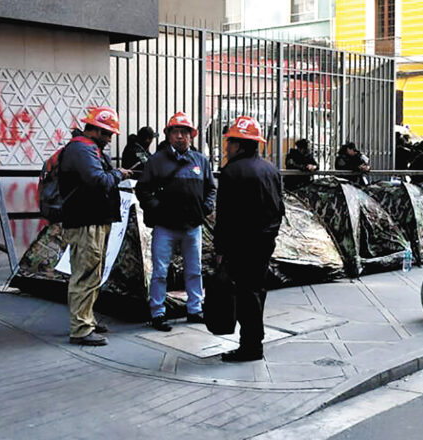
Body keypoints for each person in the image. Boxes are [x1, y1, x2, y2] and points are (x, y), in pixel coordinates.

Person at [214, 116, 285, 362]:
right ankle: (254, 341)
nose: (226, 147)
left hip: (240, 245)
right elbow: (280, 208)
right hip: (264, 243)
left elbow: (224, 216)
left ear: (240, 144)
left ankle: (251, 346)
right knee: (256, 291)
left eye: (229, 142)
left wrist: (220, 248)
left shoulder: (231, 172)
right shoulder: (271, 169)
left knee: (246, 294)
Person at [136, 112, 216, 331]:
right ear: (169, 135)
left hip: (192, 227)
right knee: (160, 271)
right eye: (176, 132)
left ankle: (194, 309)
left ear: (191, 136)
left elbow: (211, 189)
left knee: (194, 270)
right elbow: (142, 189)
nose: (180, 136)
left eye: (184, 132)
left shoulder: (201, 161)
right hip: (165, 228)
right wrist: (157, 209)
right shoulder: (156, 161)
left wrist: (205, 208)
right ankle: (158, 313)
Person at [59, 107, 131, 346]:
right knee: (85, 273)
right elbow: (98, 181)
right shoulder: (82, 150)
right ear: (95, 129)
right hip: (85, 221)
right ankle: (80, 328)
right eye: (107, 133)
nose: (110, 139)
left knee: (93, 273)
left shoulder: (89, 149)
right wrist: (119, 175)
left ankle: (86, 318)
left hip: (94, 219)